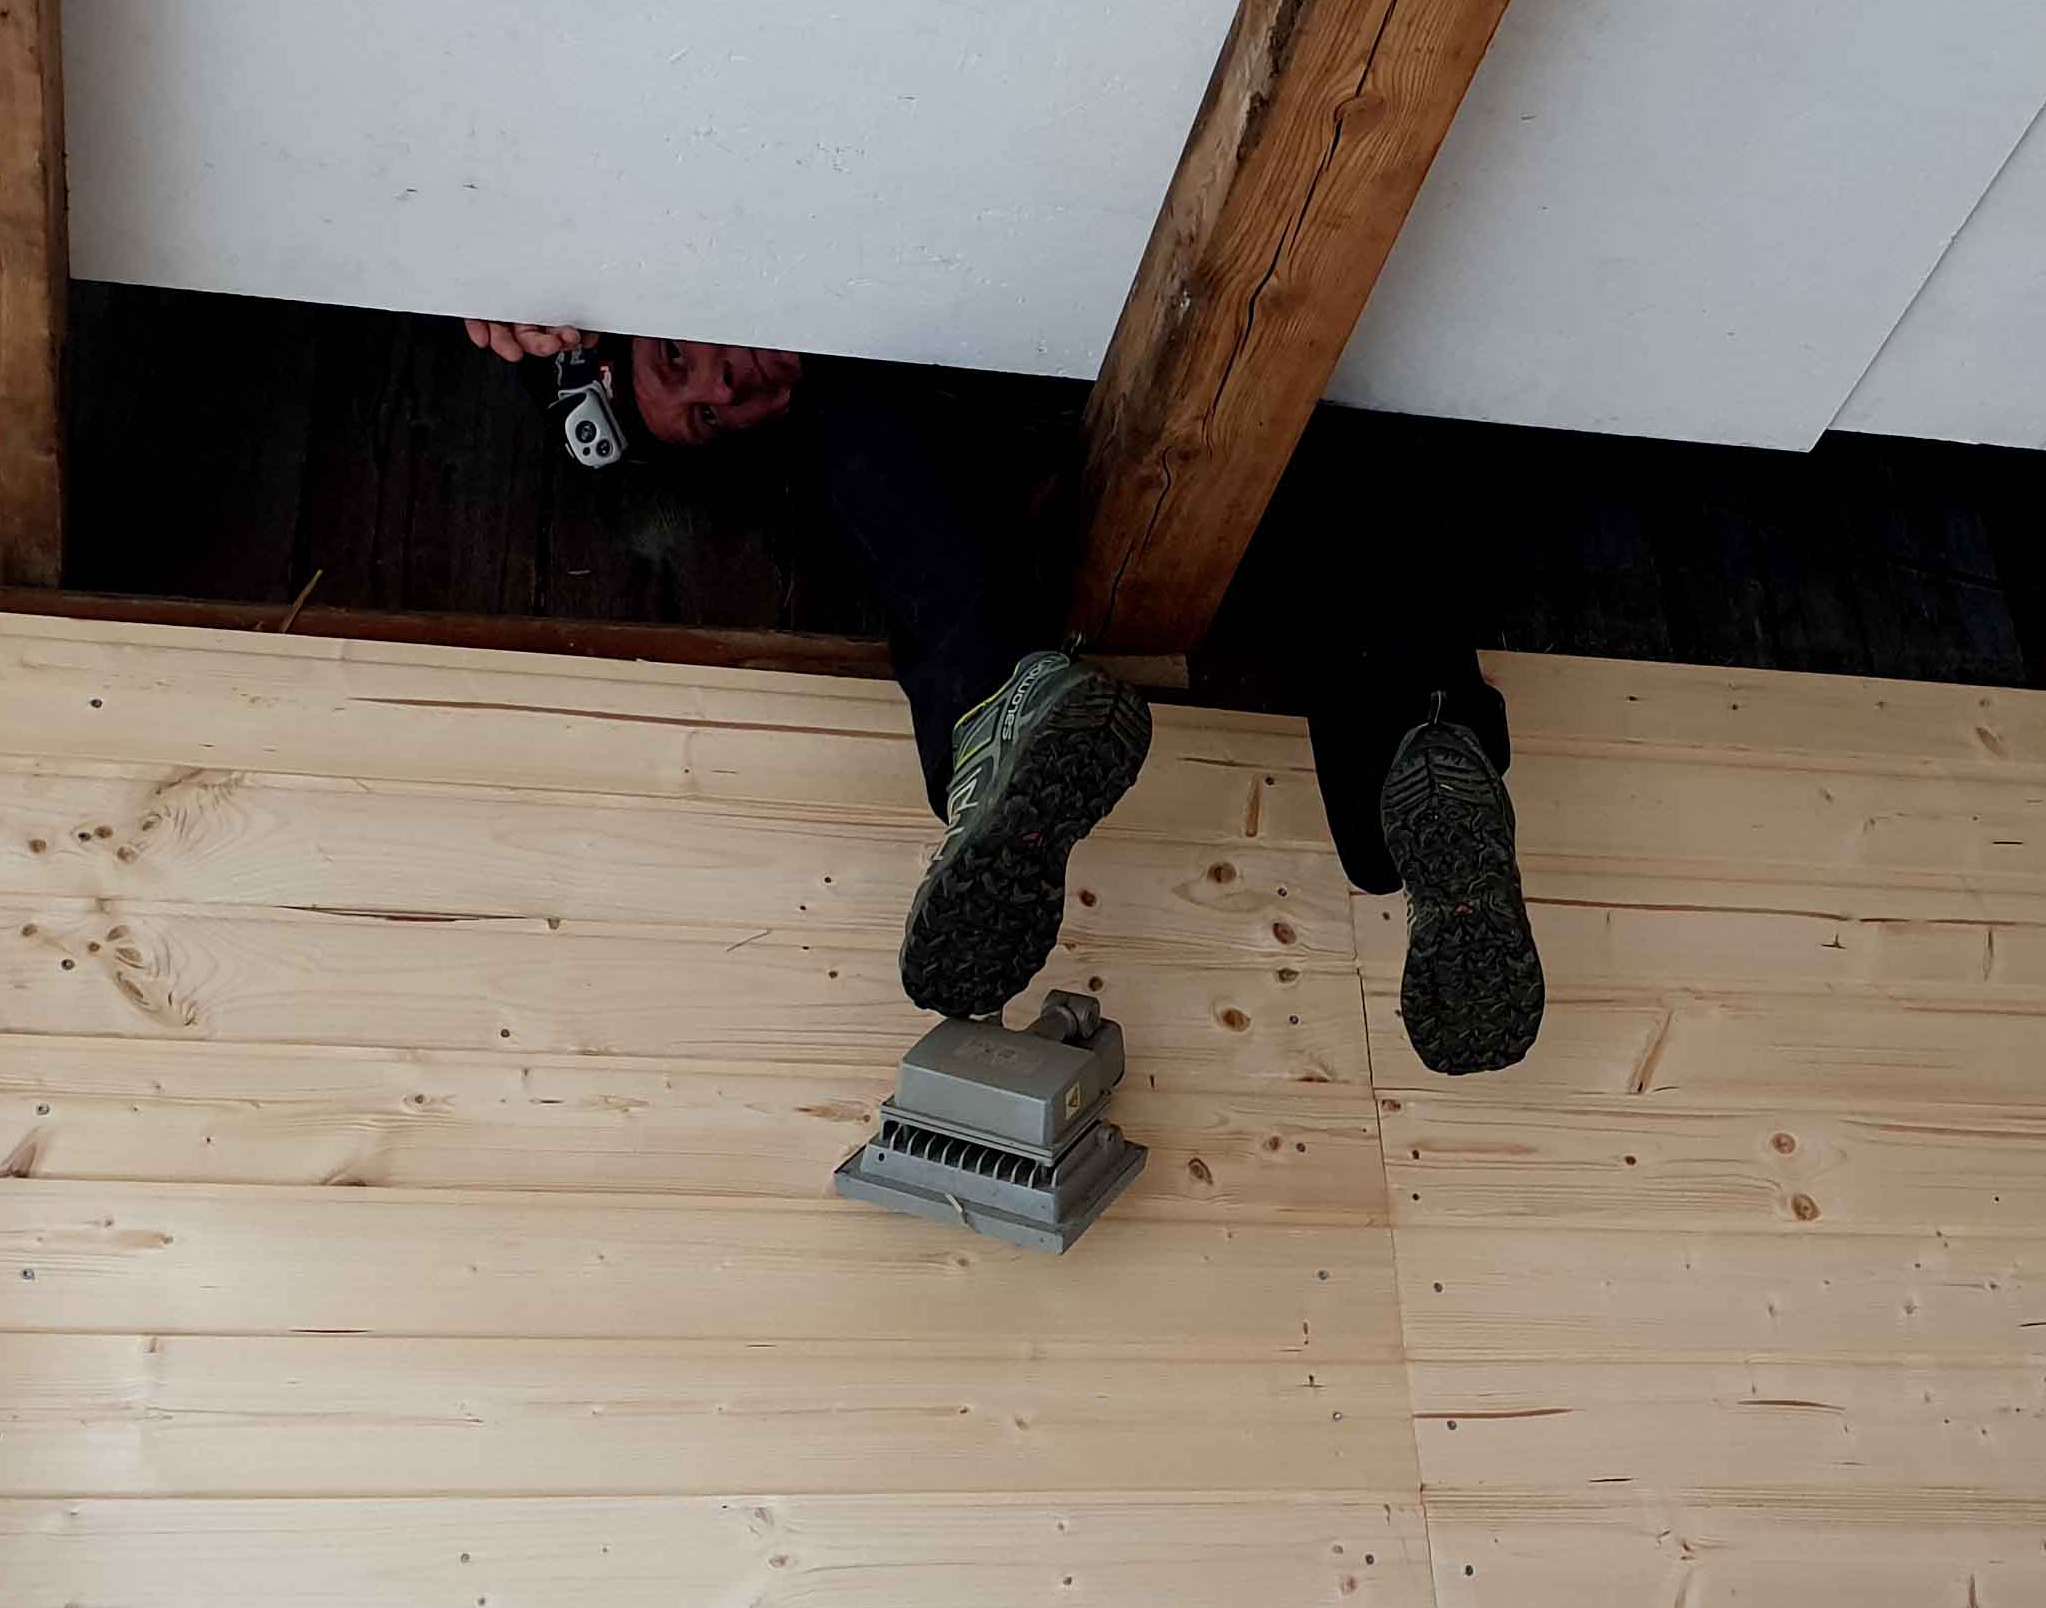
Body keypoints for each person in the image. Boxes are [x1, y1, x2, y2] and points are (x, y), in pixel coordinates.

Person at [465, 321, 1544, 1074]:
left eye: (680, 356)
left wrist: (522, 289)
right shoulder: (839, 444)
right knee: (1333, 489)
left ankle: (1003, 724)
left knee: (1323, 455)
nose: (728, 387)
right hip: (1068, 487)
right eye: (709, 417)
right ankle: (1433, 760)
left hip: (1101, 399)